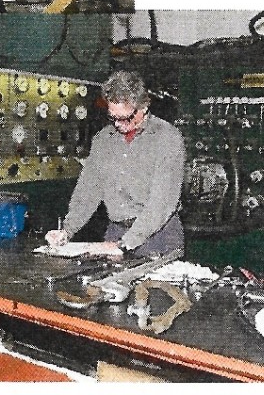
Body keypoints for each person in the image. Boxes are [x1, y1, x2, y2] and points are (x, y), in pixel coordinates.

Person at [45, 69, 186, 257]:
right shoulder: (103, 140)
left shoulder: (167, 139)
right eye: (113, 117)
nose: (118, 125)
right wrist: (67, 230)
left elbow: (161, 204)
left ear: (143, 108)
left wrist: (125, 244)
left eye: (125, 118)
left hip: (159, 237)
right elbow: (88, 190)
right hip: (116, 232)